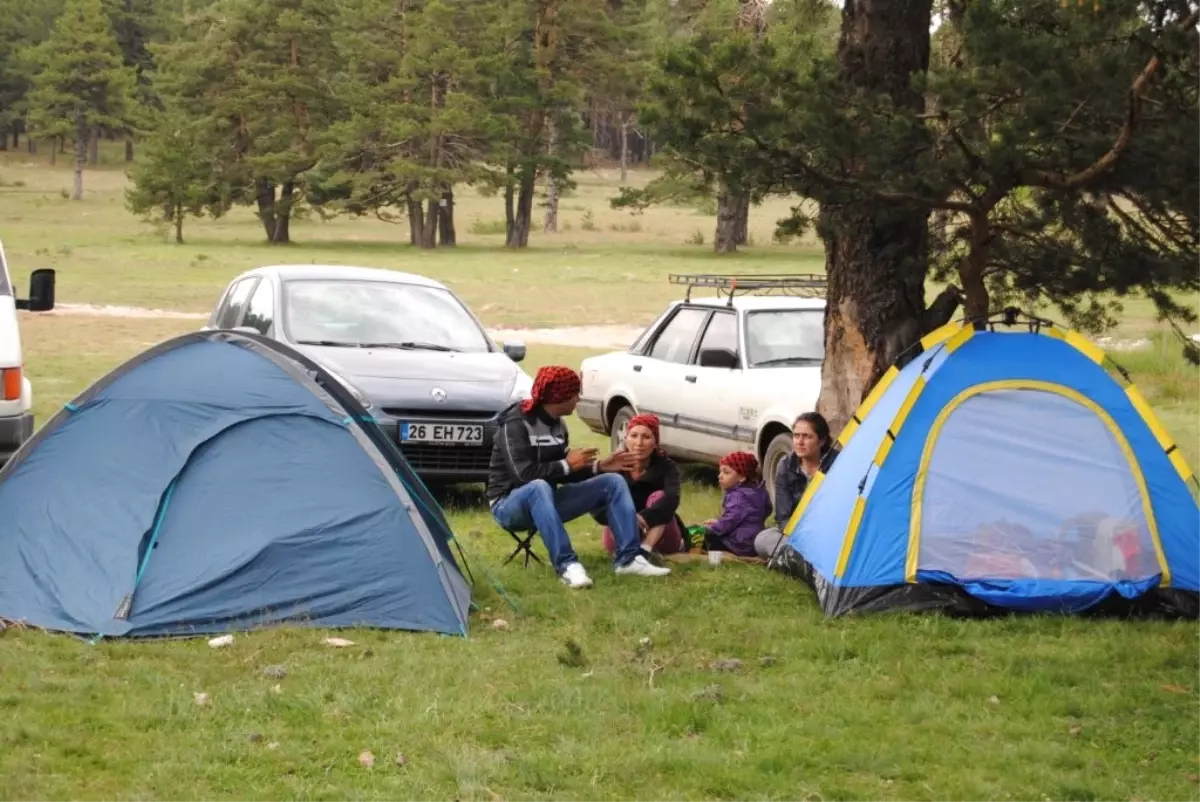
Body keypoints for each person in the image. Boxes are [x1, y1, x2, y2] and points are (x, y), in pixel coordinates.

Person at [486, 365, 672, 588]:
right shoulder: (516, 424)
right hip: (508, 506)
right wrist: (566, 464)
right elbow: (522, 476)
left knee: (612, 481)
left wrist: (599, 467)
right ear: (559, 396)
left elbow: (565, 473)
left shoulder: (558, 426)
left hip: (546, 502)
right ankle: (567, 566)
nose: (578, 398)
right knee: (537, 486)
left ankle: (629, 559)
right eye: (575, 393)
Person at [597, 413, 687, 559]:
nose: (639, 443)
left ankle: (645, 550)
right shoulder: (616, 464)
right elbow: (599, 501)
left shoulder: (667, 467)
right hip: (622, 530)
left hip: (661, 535)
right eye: (634, 436)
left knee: (659, 497)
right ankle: (627, 549)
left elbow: (672, 499)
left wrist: (643, 518)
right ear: (626, 439)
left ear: (655, 442)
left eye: (646, 437)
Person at [754, 412, 832, 561]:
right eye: (796, 436)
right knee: (763, 538)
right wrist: (798, 535)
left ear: (821, 441)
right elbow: (783, 517)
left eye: (807, 437)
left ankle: (796, 560)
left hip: (828, 532)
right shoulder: (786, 464)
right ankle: (804, 560)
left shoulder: (835, 464)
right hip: (797, 533)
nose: (799, 442)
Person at [697, 450, 772, 559]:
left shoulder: (738, 496)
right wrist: (718, 521)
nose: (720, 476)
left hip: (737, 544)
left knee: (702, 538)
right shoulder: (759, 492)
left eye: (726, 472)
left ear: (742, 477)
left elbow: (729, 521)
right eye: (720, 472)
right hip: (754, 540)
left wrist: (711, 528)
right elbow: (767, 510)